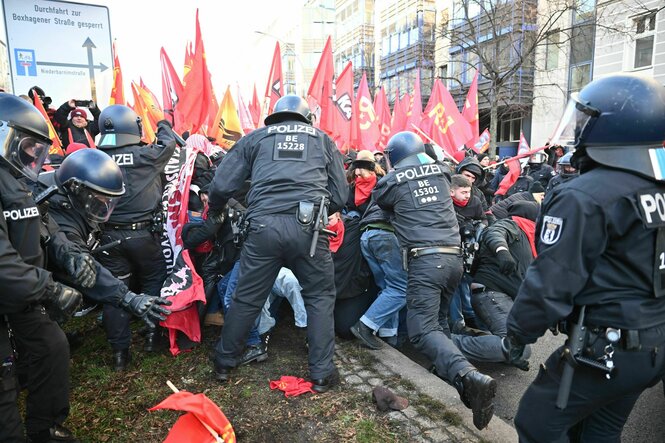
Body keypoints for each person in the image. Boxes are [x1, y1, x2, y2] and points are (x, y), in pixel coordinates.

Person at [503, 74, 665, 442]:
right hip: (651, 343)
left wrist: (517, 334)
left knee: (536, 422)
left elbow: (550, 282)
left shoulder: (584, 196)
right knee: (601, 431)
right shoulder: (653, 189)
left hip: (606, 346)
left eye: (585, 121)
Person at [208, 95, 348, 393]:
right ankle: (322, 374)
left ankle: (224, 362)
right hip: (309, 229)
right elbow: (340, 194)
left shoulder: (256, 138)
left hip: (262, 227)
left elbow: (221, 185)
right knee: (320, 298)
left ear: (275, 117)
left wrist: (216, 209)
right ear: (307, 119)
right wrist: (321, 208)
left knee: (247, 297)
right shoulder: (322, 140)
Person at [373, 131, 497, 430]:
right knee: (439, 324)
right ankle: (449, 374)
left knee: (421, 330)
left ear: (393, 155)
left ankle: (469, 377)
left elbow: (383, 202)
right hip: (453, 259)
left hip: (426, 259)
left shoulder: (391, 181)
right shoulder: (443, 171)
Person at [34, 148, 172, 368]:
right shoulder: (56, 205)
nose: (104, 207)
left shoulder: (68, 199)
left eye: (109, 202)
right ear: (77, 191)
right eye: (99, 201)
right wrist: (128, 298)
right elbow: (65, 243)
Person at [0, 92, 85, 443]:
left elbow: (47, 233)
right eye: (27, 145)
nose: (33, 156)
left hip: (18, 293)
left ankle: (46, 427)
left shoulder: (14, 182)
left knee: (51, 345)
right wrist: (50, 288)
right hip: (16, 285)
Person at [95, 105, 176, 369]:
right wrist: (163, 123)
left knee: (115, 292)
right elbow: (168, 144)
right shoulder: (145, 155)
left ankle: (120, 355)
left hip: (108, 237)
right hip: (143, 235)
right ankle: (153, 336)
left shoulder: (96, 157)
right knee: (154, 280)